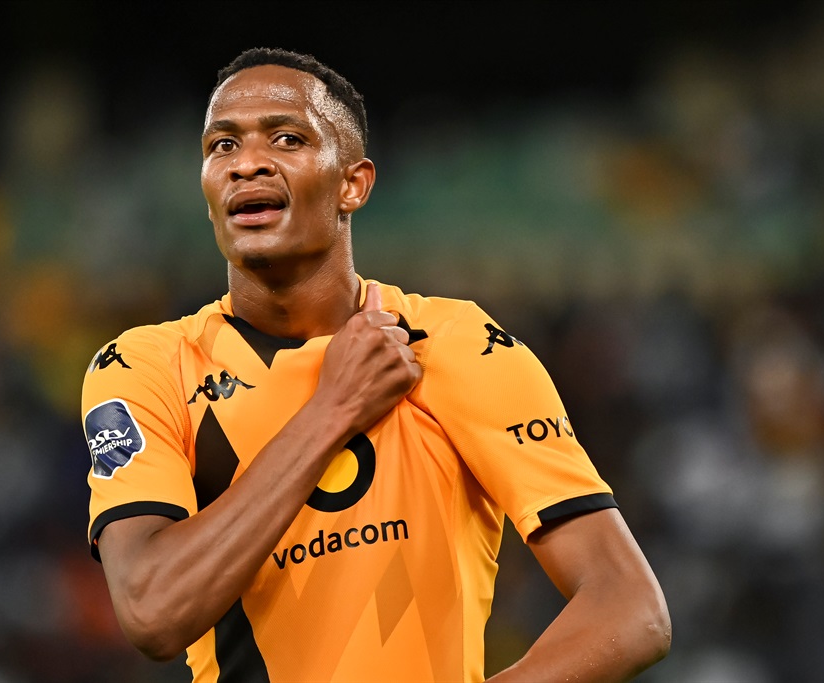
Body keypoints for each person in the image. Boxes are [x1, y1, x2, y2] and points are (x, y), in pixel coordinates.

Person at [81, 47, 671, 682]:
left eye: (286, 137)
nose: (247, 163)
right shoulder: (144, 366)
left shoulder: (455, 342)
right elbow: (152, 612)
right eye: (222, 146)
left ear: (352, 184)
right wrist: (333, 408)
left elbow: (630, 609)